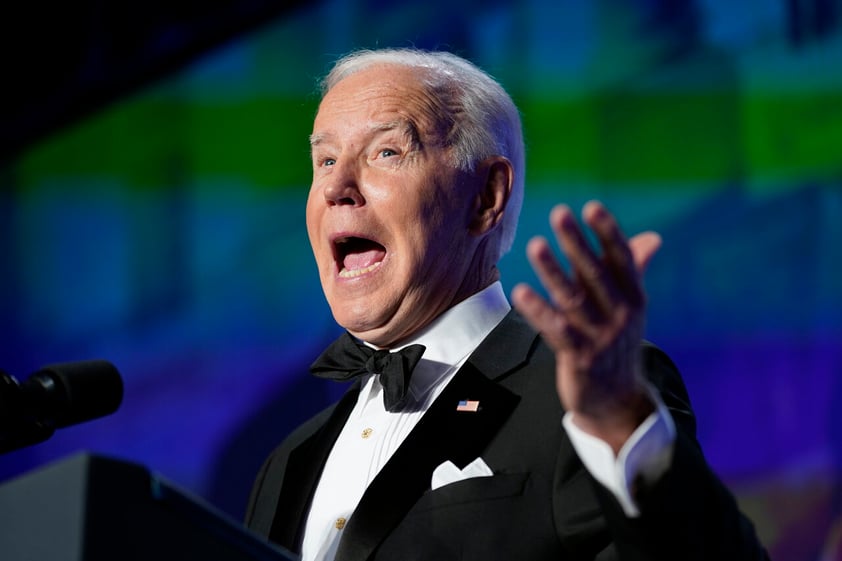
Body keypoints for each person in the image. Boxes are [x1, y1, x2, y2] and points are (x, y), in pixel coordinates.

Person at [245, 48, 769, 561]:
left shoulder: (586, 398)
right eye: (326, 159)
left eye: (386, 152)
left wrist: (620, 425)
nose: (336, 186)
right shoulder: (286, 460)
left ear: (487, 196)